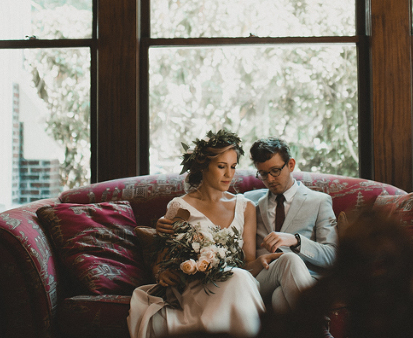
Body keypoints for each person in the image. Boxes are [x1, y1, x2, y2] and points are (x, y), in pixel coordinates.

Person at [127, 130, 272, 338]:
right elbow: (161, 261)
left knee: (239, 277)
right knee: (239, 278)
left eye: (233, 167)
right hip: (196, 288)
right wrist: (161, 273)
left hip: (236, 285)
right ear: (203, 167)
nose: (229, 174)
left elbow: (247, 264)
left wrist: (262, 261)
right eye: (221, 167)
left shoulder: (245, 207)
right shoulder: (180, 207)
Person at [246, 137, 338, 315]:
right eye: (263, 174)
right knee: (289, 260)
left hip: (304, 281)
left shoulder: (319, 202)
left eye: (275, 171)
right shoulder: (250, 202)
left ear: (291, 164)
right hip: (263, 278)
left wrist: (296, 241)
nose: (270, 179)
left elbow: (333, 256)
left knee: (280, 298)